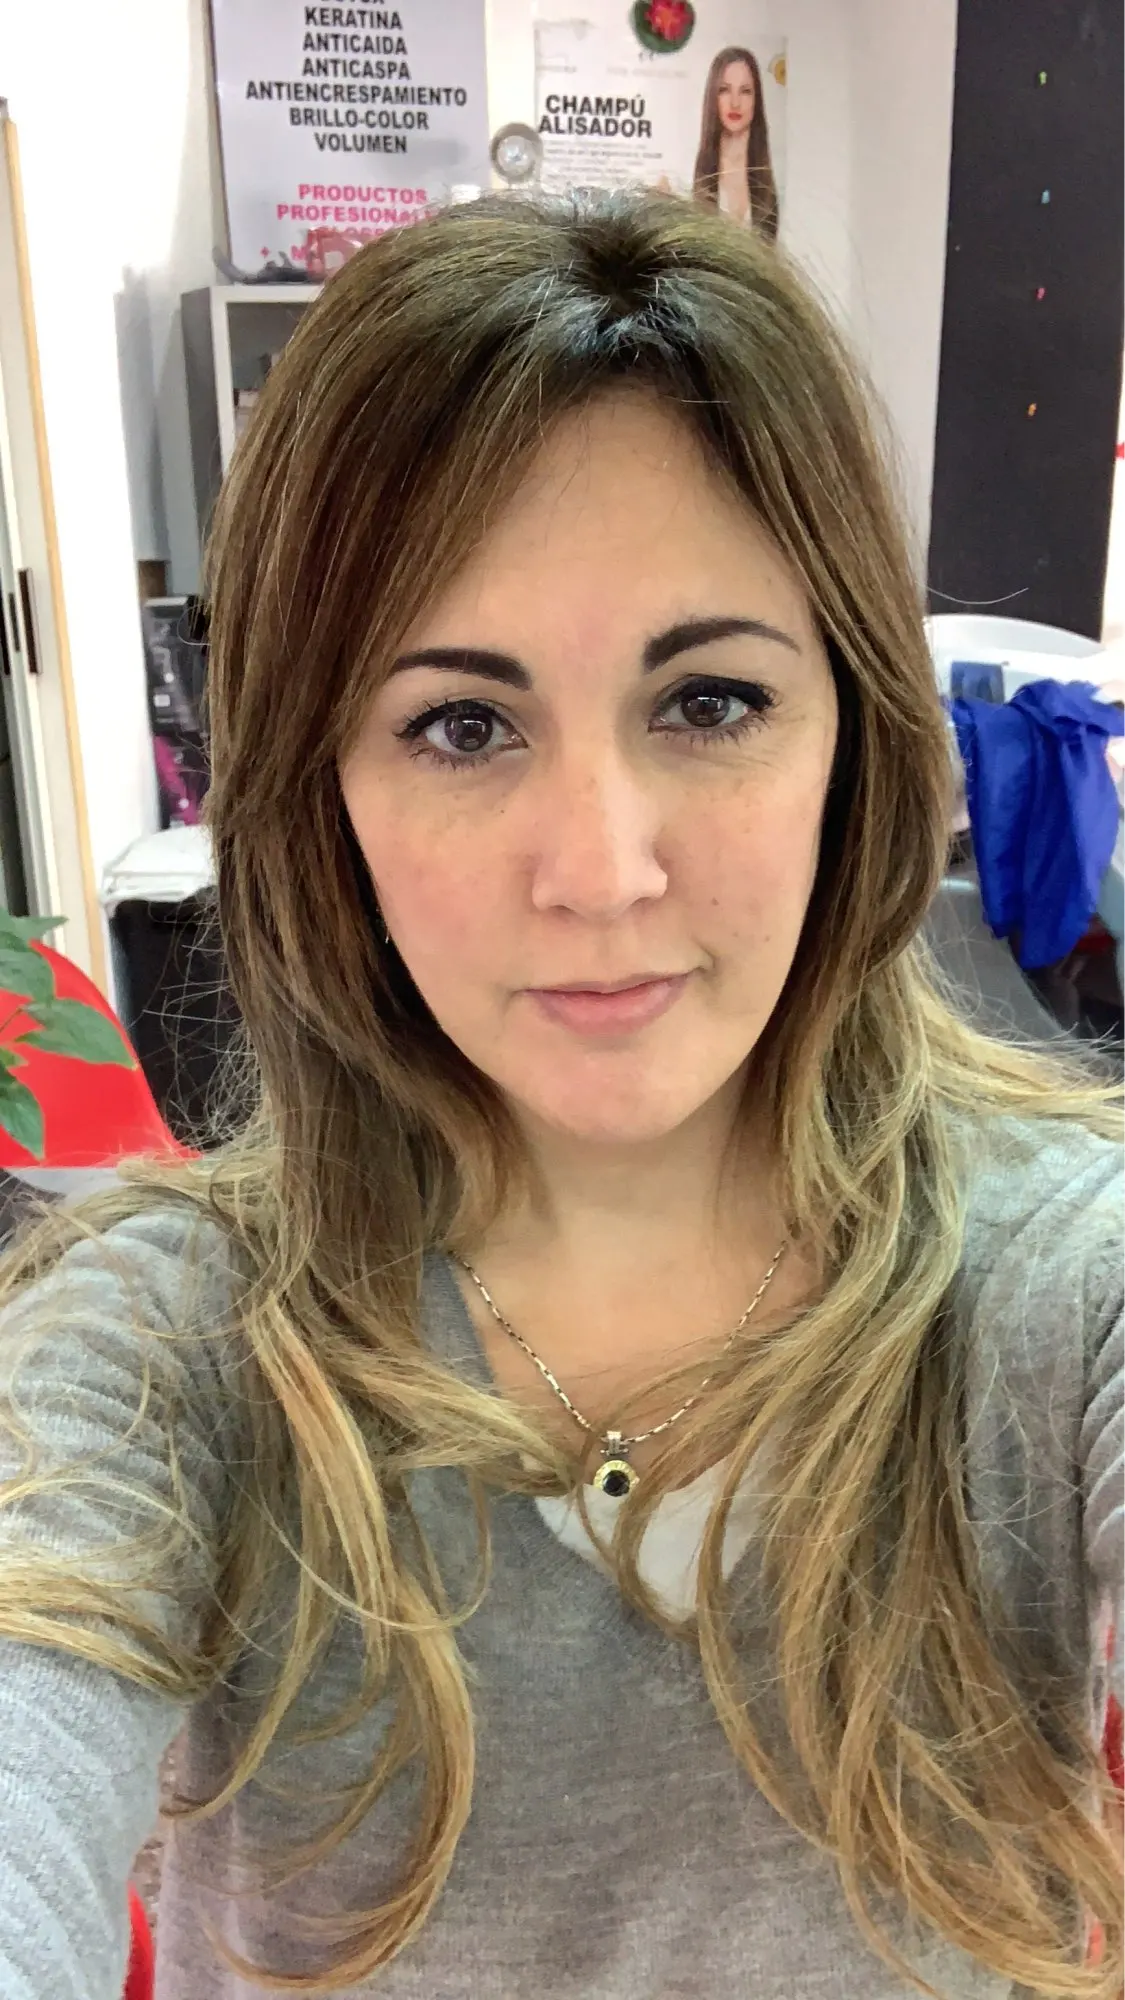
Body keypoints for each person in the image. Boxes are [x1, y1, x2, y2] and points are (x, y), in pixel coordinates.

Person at [0, 188, 1121, 2000]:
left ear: (851, 734)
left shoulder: (1067, 1292)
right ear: (321, 791)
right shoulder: (165, 1349)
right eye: (462, 726)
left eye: (710, 703)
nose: (602, 871)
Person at [692, 46, 779, 239]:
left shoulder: (767, 178)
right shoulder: (698, 172)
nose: (735, 103)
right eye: (724, 90)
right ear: (713, 96)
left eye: (745, 91)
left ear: (756, 100)